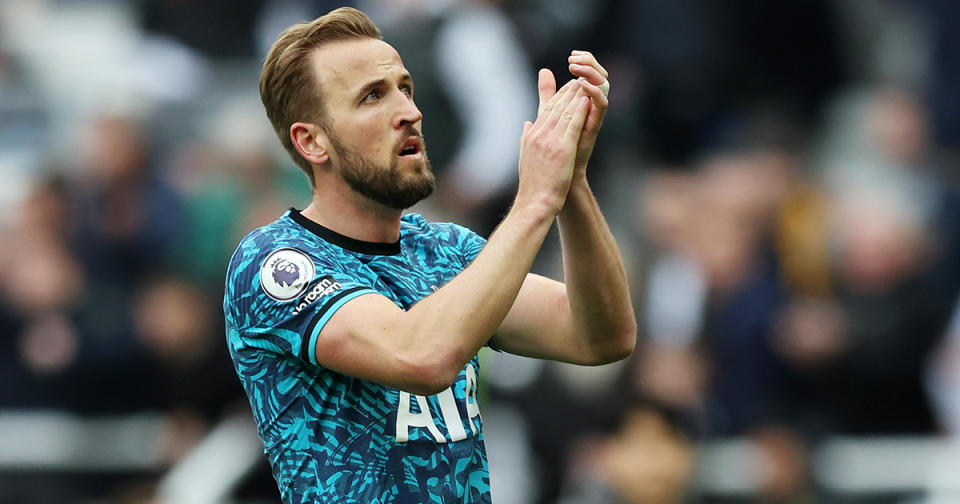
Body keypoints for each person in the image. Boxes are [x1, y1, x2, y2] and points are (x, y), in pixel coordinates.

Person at [223, 7, 636, 503]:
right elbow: (420, 356)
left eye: (406, 88)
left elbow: (601, 336)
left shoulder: (448, 250)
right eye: (373, 96)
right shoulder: (276, 262)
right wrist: (536, 200)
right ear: (312, 141)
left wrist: (571, 185)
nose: (409, 111)